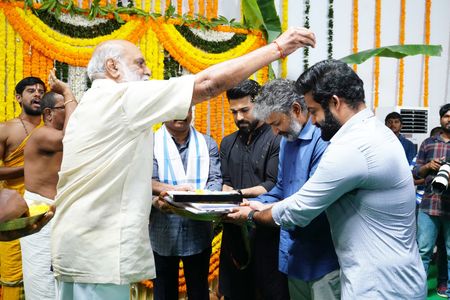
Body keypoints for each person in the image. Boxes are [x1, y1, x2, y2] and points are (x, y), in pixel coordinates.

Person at [51, 28, 316, 300]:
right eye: (139, 63)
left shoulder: (88, 104)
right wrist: (278, 48)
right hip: (97, 254)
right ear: (113, 67)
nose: (148, 71)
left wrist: (159, 193)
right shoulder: (121, 98)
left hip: (74, 246)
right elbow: (208, 84)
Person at [227, 59, 427, 299]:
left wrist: (251, 213)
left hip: (379, 286)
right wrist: (260, 204)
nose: (312, 121)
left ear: (335, 102)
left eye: (314, 112)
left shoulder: (351, 147)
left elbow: (301, 208)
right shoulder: (372, 132)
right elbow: (285, 190)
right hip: (385, 276)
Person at [251, 79, 340, 299]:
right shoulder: (286, 141)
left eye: (276, 123)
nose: (274, 132)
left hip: (323, 259)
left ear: (296, 110)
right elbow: (282, 188)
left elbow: (311, 205)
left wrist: (255, 214)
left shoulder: (323, 140)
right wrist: (254, 203)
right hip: (293, 255)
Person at [219, 79, 286, 300]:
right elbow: (225, 181)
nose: (239, 118)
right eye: (234, 112)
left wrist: (237, 195)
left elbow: (272, 184)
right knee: (235, 292)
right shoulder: (227, 143)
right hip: (233, 231)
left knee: (268, 292)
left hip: (265, 229)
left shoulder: (277, 137)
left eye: (245, 110)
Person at [150, 107, 222, 300]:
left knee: (199, 291)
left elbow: (215, 179)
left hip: (198, 230)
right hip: (163, 232)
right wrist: (156, 202)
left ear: (192, 111)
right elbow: (146, 182)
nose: (180, 114)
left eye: (185, 108)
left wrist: (204, 201)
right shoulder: (150, 143)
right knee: (164, 293)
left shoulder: (207, 143)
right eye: (174, 108)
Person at [21, 71, 77, 300]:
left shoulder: (54, 136)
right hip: (40, 214)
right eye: (68, 107)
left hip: (59, 213)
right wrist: (66, 91)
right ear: (49, 113)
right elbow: (71, 136)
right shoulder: (41, 135)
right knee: (42, 280)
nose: (74, 111)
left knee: (62, 279)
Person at [0, 76, 46, 300]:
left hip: (43, 209)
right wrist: (28, 168)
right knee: (13, 272)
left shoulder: (52, 130)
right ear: (19, 97)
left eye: (41, 91)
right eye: (31, 91)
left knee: (43, 268)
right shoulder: (6, 129)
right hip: (14, 212)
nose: (37, 94)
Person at [414, 103, 450, 298]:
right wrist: (428, 166)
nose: (449, 119)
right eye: (446, 116)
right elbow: (415, 173)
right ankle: (418, 292)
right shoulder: (428, 143)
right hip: (429, 204)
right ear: (441, 118)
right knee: (423, 251)